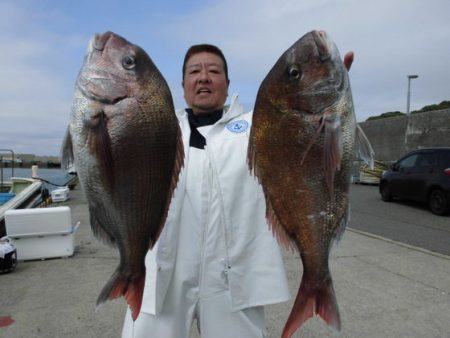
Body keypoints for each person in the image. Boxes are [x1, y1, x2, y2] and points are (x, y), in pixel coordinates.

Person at [121, 44, 290, 338]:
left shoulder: (258, 126)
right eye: (194, 72)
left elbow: (302, 122)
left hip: (233, 274)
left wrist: (325, 92)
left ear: (227, 83)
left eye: (214, 71)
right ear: (183, 84)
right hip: (165, 270)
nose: (204, 78)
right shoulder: (157, 128)